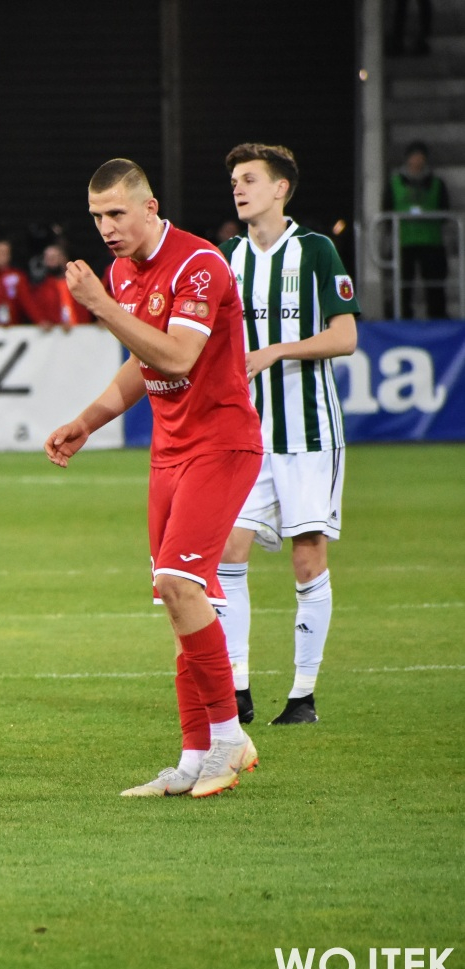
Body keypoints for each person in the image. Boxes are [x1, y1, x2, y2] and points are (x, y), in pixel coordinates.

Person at [44, 158, 263, 799]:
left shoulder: (199, 264)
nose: (106, 228)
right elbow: (144, 363)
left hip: (220, 444)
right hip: (168, 453)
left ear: (150, 207)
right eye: (96, 217)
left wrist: (100, 306)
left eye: (116, 213)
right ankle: (194, 756)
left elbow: (178, 356)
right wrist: (88, 421)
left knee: (178, 583)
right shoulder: (121, 273)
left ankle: (229, 738)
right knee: (178, 604)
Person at [216, 143, 359, 726]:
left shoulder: (316, 250)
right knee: (227, 551)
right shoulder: (228, 256)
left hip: (309, 434)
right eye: (234, 180)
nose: (238, 187)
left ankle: (302, 696)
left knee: (306, 557)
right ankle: (237, 689)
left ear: (281, 189)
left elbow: (345, 337)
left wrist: (275, 351)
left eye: (249, 178)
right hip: (246, 435)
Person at [383, 140, 451, 319]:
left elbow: (445, 211)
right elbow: (387, 210)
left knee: (435, 283)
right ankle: (403, 316)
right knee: (404, 283)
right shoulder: (395, 183)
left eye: (420, 157)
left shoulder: (437, 184)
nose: (417, 161)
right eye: (414, 157)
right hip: (404, 241)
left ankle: (437, 317)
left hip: (431, 241)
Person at [30, 243, 93, 331]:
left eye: (53, 258)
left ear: (64, 258)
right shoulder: (41, 288)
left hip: (84, 331)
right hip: (57, 334)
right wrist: (43, 321)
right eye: (47, 259)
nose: (50, 262)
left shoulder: (80, 282)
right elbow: (38, 313)